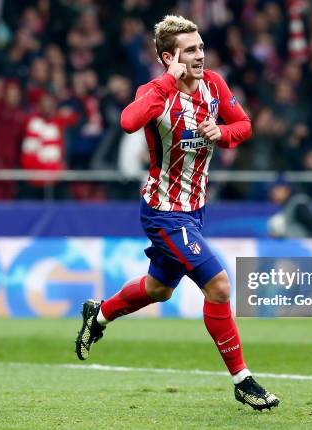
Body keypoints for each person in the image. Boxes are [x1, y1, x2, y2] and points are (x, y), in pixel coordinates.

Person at [75, 15, 279, 411]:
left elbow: (245, 124)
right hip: (164, 211)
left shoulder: (215, 85)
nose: (200, 55)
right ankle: (242, 380)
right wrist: (168, 80)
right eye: (190, 50)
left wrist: (225, 133)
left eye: (201, 47)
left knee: (158, 289)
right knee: (219, 286)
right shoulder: (155, 91)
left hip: (196, 209)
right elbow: (128, 121)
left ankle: (98, 315)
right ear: (170, 57)